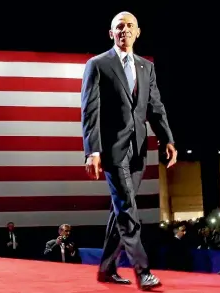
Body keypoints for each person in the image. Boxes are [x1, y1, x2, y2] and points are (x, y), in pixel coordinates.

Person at [80, 11, 177, 290]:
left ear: (138, 32)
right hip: (112, 150)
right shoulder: (97, 64)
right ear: (111, 34)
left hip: (138, 150)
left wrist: (167, 139)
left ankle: (106, 268)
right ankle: (142, 270)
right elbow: (90, 111)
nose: (124, 30)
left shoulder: (147, 67)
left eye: (129, 26)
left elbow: (155, 107)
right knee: (127, 208)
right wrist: (92, 151)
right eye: (119, 27)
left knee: (120, 209)